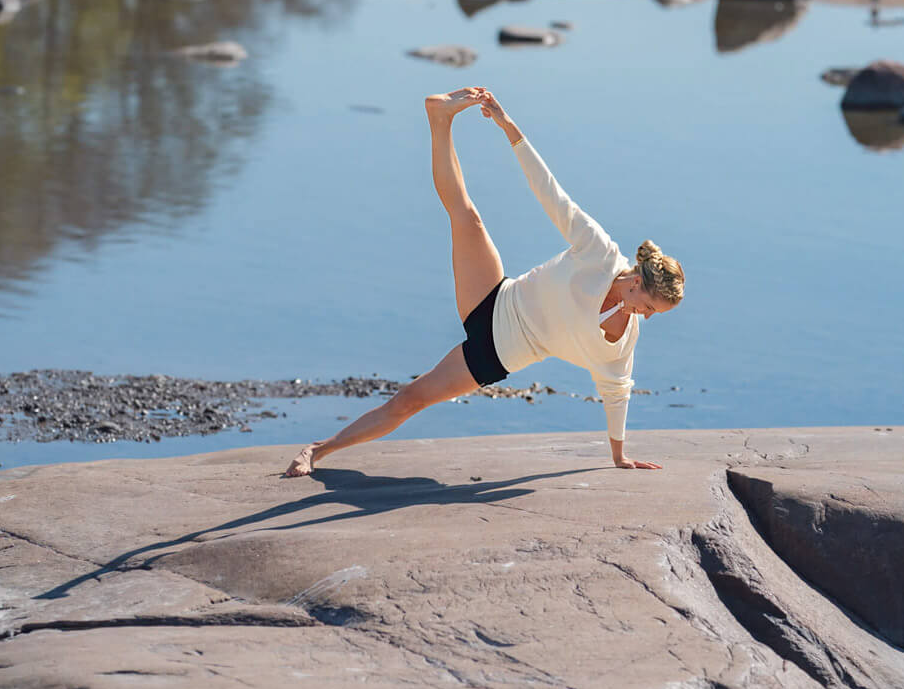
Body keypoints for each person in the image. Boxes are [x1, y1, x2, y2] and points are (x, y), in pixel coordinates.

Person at [282, 87, 684, 478]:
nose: (645, 317)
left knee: (409, 401)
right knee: (466, 215)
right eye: (649, 307)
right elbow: (550, 193)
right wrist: (507, 125)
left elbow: (617, 391)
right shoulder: (598, 252)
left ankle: (318, 449)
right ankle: (440, 119)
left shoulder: (623, 337)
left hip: (497, 352)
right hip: (495, 297)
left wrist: (619, 456)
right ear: (637, 281)